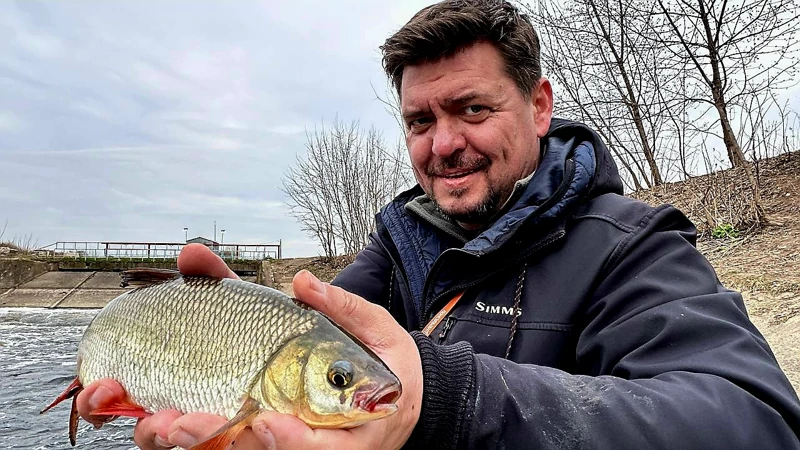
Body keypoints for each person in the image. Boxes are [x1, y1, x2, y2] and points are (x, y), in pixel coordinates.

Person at [78, 0, 800, 448]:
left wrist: (452, 402)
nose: (443, 142)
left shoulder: (634, 247)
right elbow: (308, 368)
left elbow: (754, 422)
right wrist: (226, 335)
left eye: (473, 110)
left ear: (540, 106)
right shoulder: (395, 249)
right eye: (420, 120)